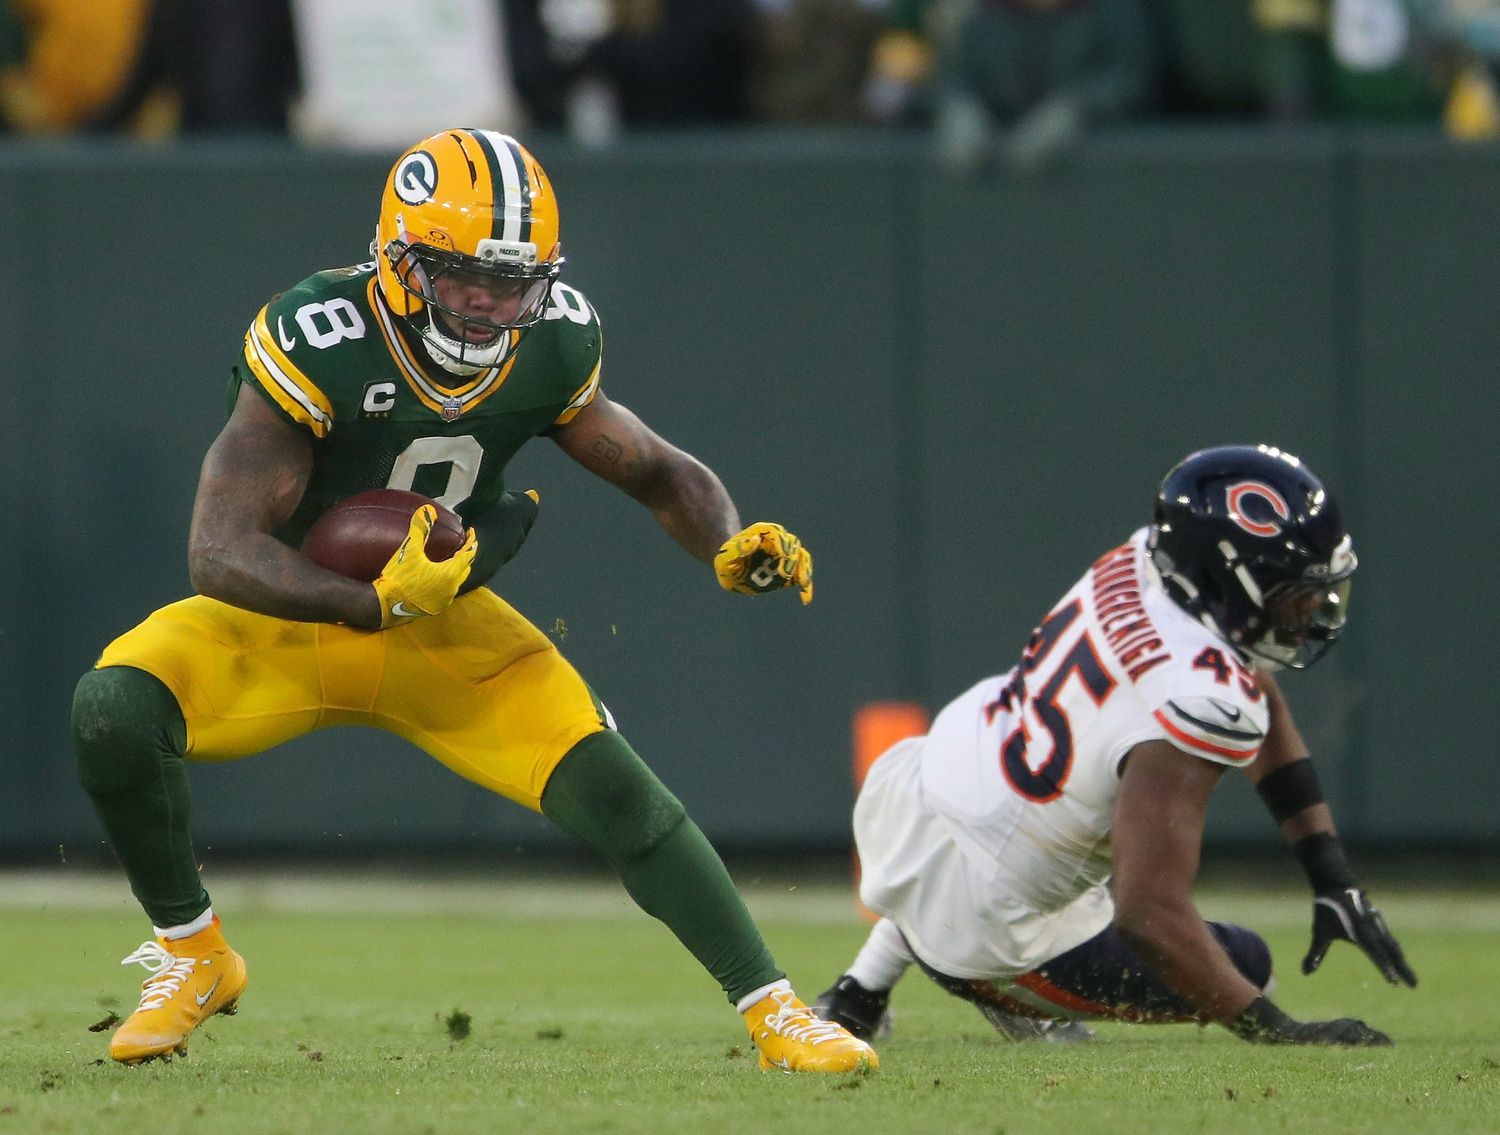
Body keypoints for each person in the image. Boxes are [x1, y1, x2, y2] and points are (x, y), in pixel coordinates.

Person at [71, 128, 876, 1075]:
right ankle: (194, 953)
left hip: (444, 617)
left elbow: (657, 469)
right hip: (288, 616)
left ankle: (778, 1013)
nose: (491, 304)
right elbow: (218, 550)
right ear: (401, 262)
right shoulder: (318, 336)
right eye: (462, 277)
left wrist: (726, 539)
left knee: (617, 789)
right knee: (112, 708)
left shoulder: (555, 339)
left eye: (514, 280)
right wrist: (363, 604)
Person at [815, 444, 1416, 1046]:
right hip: (990, 925)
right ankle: (1009, 994)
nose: (1312, 609)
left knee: (1060, 826)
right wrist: (1280, 1033)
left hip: (919, 788)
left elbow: (1246, 678)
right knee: (1247, 964)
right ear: (1233, 581)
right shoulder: (1199, 696)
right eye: (1295, 592)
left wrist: (1330, 874)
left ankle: (858, 992)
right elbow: (1148, 914)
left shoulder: (1146, 560)